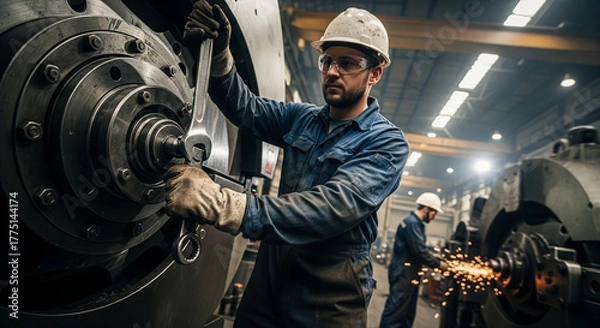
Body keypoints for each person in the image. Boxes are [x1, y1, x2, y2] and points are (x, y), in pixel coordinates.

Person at [165, 1, 409, 327]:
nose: (333, 71)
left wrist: (222, 204)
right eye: (328, 61)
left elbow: (331, 207)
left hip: (330, 290)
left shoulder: (387, 143)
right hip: (272, 272)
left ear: (374, 73)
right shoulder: (302, 118)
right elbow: (245, 108)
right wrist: (221, 55)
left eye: (347, 63)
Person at [379, 192, 449, 328]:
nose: (434, 217)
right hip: (404, 274)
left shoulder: (416, 224)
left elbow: (418, 248)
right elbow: (419, 251)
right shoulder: (411, 224)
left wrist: (436, 257)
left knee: (407, 314)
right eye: (434, 213)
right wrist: (439, 264)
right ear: (426, 209)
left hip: (410, 274)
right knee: (395, 313)